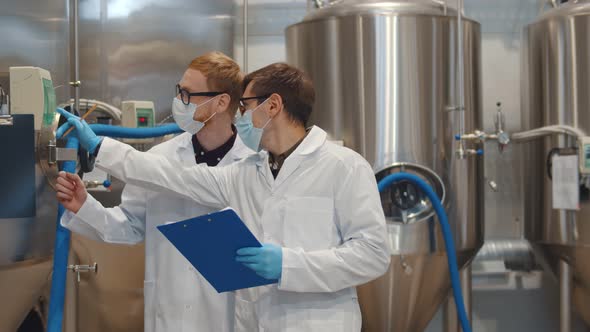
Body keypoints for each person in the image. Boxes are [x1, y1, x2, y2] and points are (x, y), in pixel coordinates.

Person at [57, 62, 391, 331]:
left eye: (245, 107)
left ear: (273, 105)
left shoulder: (343, 166)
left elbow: (374, 253)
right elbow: (171, 176)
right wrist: (100, 148)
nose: (240, 116)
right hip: (252, 320)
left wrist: (288, 264)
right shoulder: (249, 171)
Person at [55, 51, 252, 332]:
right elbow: (131, 227)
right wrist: (84, 206)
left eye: (188, 94)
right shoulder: (161, 156)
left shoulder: (254, 165)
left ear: (221, 102)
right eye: (178, 91)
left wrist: (102, 148)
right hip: (168, 314)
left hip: (227, 316)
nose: (179, 101)